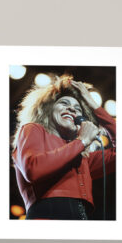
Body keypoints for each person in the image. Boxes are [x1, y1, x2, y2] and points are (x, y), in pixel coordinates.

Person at [12, 76, 115, 221]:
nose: (72, 108)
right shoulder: (32, 129)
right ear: (48, 109)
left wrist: (94, 106)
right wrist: (81, 141)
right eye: (64, 103)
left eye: (78, 108)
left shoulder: (81, 158)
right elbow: (33, 169)